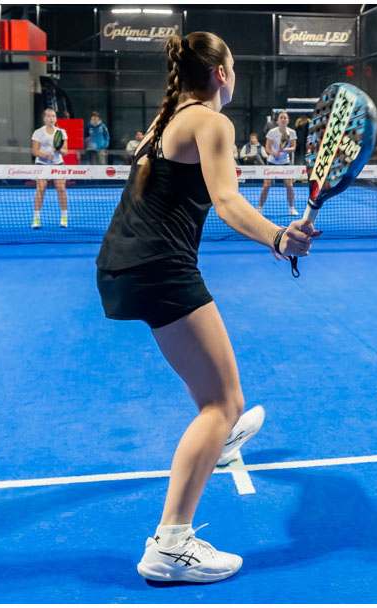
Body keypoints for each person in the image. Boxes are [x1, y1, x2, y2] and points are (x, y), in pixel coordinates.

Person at [95, 32, 319, 584]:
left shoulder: (166, 119)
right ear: (220, 73)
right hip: (160, 268)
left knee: (221, 402)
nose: (234, 72)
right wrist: (278, 237)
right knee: (222, 403)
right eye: (233, 64)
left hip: (123, 264)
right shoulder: (211, 122)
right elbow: (226, 200)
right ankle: (170, 545)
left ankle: (221, 439)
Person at [30, 108, 69, 228]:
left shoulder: (61, 132)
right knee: (41, 189)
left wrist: (59, 150)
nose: (51, 118)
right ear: (44, 118)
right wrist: (46, 156)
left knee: (61, 189)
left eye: (53, 116)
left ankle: (64, 217)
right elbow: (35, 151)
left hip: (57, 164)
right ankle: (36, 218)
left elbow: (65, 152)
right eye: (48, 116)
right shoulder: (38, 132)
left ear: (56, 118)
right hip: (42, 164)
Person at [259, 111, 298, 215]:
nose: (283, 119)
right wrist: (273, 153)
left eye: (285, 118)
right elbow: (267, 147)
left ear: (288, 121)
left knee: (289, 185)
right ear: (277, 121)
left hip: (286, 163)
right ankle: (259, 208)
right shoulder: (272, 132)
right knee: (266, 185)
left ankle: (291, 208)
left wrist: (284, 150)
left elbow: (293, 148)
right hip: (272, 162)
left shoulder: (292, 132)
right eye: (281, 117)